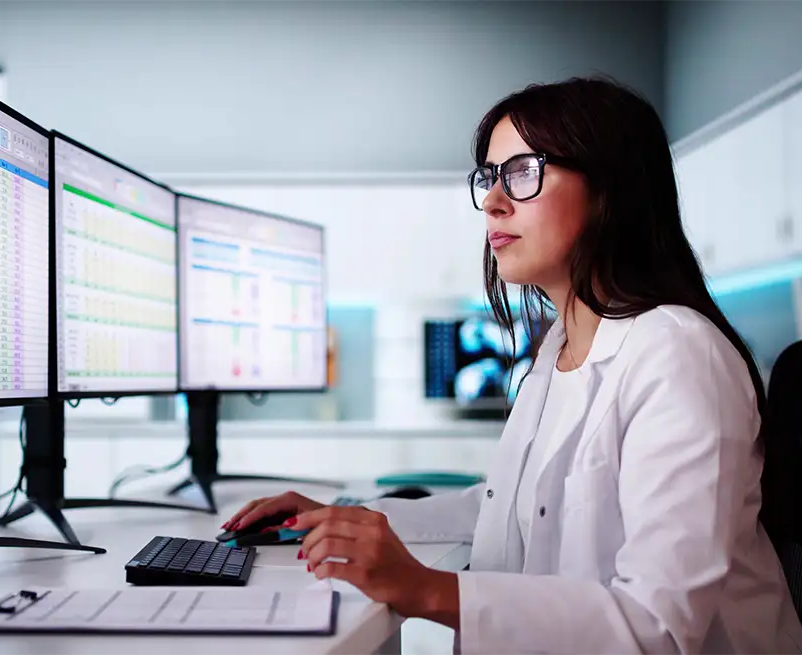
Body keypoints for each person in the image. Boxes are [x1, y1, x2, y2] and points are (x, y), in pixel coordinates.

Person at [223, 77, 802, 653]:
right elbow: (505, 505)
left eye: (525, 171)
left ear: (610, 189)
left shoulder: (679, 354)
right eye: (490, 177)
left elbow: (659, 628)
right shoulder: (559, 352)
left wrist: (426, 589)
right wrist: (347, 519)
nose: (494, 200)